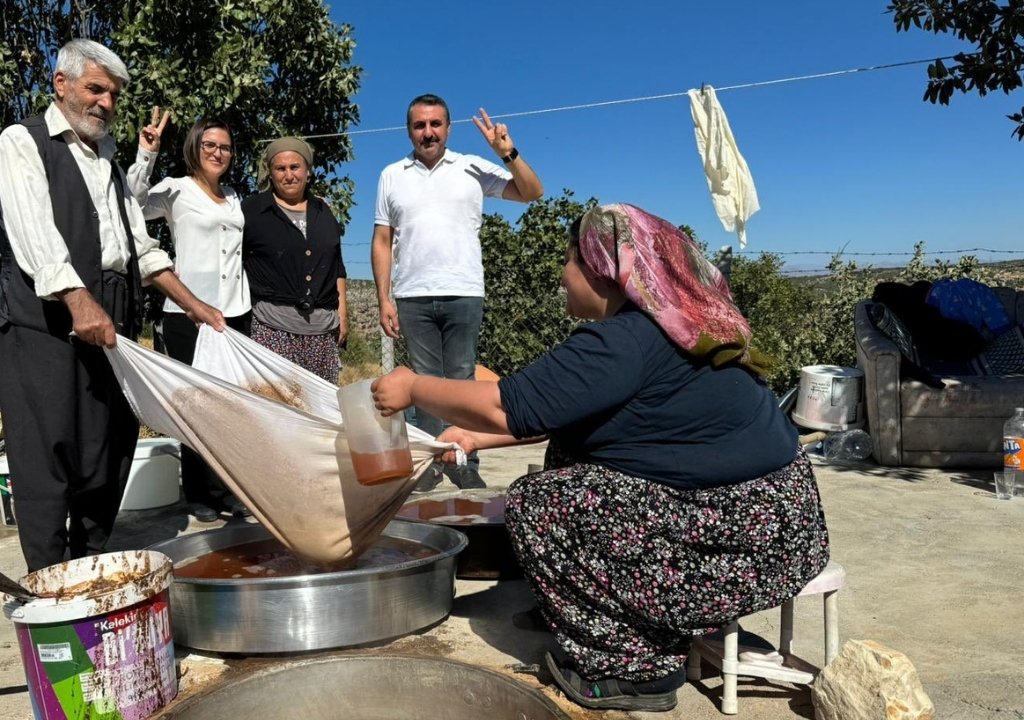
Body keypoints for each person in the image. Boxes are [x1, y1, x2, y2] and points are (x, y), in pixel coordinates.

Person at [372, 204, 830, 711]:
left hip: (737, 548)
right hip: (785, 533)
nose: (563, 276)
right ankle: (615, 614)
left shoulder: (626, 340)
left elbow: (510, 405)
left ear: (604, 270)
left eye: (570, 261)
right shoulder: (674, 328)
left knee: (539, 504)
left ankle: (636, 669)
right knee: (570, 454)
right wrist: (479, 440)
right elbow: (576, 415)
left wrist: (413, 386)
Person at [0, 39, 225, 573]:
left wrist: (195, 306)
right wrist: (77, 299)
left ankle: (89, 566)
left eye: (113, 94)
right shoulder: (23, 142)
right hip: (44, 325)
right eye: (95, 89)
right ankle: (49, 582)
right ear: (61, 85)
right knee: (49, 457)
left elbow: (138, 247)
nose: (106, 103)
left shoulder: (109, 163)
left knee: (107, 452)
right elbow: (36, 235)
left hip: (109, 325)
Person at [371, 94, 544, 491]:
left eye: (435, 124)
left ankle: (465, 458)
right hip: (412, 295)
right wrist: (384, 298)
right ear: (409, 130)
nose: (428, 132)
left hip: (464, 291)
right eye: (419, 125)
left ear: (448, 128)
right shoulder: (391, 175)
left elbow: (531, 192)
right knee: (424, 385)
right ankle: (431, 463)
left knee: (463, 380)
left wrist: (508, 152)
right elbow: (382, 240)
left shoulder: (472, 167)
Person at [127, 113, 252, 522]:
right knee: (195, 407)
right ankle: (199, 493)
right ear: (195, 148)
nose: (218, 153)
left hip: (234, 312)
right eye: (210, 145)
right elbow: (130, 204)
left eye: (225, 147)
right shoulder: (176, 190)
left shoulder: (234, 197)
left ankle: (228, 489)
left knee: (231, 408)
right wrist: (147, 153)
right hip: (188, 314)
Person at [242, 137, 348, 384]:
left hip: (323, 333)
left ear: (307, 171)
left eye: (295, 167)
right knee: (279, 408)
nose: (288, 175)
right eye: (280, 168)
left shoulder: (324, 212)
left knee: (322, 410)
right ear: (270, 173)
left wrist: (343, 315)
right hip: (272, 329)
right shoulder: (252, 210)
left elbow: (337, 265)